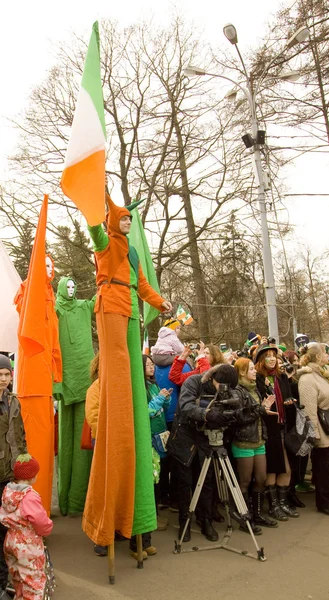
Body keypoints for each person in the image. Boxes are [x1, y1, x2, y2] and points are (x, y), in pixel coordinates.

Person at [82, 194, 172, 549]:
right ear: (112, 220)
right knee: (117, 369)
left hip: (132, 308)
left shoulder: (132, 253)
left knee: (132, 370)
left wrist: (158, 301)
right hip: (111, 305)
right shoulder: (106, 243)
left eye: (129, 221)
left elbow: (143, 285)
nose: (127, 225)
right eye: (122, 220)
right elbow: (95, 231)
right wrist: (95, 203)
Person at [167, 363, 246, 543]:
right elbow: (186, 406)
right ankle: (184, 523)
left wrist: (232, 415)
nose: (224, 390)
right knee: (185, 483)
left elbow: (233, 406)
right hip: (185, 438)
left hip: (207, 439)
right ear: (212, 378)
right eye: (221, 385)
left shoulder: (227, 390)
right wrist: (207, 414)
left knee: (207, 482)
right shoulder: (194, 382)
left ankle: (206, 521)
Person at [14, 255, 62, 515]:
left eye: (50, 265)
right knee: (32, 450)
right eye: (42, 264)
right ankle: (30, 512)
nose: (47, 270)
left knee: (43, 451)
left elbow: (52, 337)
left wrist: (56, 371)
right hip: (32, 383)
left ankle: (39, 510)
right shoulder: (28, 290)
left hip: (43, 383)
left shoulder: (48, 293)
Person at [53, 277, 95, 516]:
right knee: (66, 442)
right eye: (67, 286)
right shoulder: (55, 308)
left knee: (85, 440)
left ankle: (81, 498)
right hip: (65, 382)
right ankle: (67, 500)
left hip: (84, 382)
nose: (71, 290)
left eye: (73, 286)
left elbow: (99, 298)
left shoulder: (82, 306)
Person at [254, 343, 300, 520]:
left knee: (286, 469)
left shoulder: (280, 377)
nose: (272, 359)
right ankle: (274, 505)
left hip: (282, 427)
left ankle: (281, 503)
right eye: (268, 356)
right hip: (267, 429)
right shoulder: (257, 378)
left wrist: (289, 401)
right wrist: (265, 388)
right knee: (273, 468)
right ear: (260, 360)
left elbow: (288, 398)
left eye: (274, 355)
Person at [233, 358, 278, 531]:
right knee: (244, 481)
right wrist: (260, 409)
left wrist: (264, 408)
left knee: (261, 478)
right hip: (244, 442)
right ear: (242, 372)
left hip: (259, 440)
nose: (255, 371)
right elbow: (240, 418)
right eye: (251, 368)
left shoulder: (255, 390)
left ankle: (257, 514)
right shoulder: (236, 392)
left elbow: (256, 414)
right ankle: (245, 518)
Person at [0, 454, 53, 600]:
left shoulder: (8, 491)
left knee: (18, 577)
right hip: (27, 543)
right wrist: (47, 528)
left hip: (10, 539)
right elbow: (39, 521)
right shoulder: (29, 496)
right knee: (33, 581)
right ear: (32, 477)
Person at [0, 354, 27, 599]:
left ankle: (3, 580)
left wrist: (23, 461)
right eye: (0, 374)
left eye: (7, 374)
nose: (4, 379)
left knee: (7, 529)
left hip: (9, 473)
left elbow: (20, 435)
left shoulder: (13, 401)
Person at [298, 343, 329, 515]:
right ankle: (323, 502)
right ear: (317, 356)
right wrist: (315, 434)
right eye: (325, 352)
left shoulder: (322, 374)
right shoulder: (308, 378)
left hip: (327, 425)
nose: (327, 355)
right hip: (320, 429)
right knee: (323, 468)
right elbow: (308, 410)